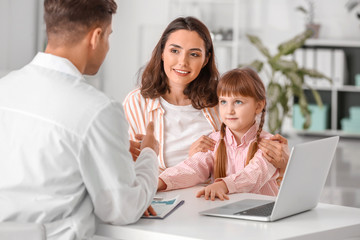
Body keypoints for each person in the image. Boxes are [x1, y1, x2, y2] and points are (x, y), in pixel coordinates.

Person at [0, 0, 159, 239]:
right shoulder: (99, 110)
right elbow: (122, 209)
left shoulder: (6, 87)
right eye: (108, 36)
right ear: (96, 37)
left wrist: (108, 150)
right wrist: (149, 153)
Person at [124, 16, 289, 175]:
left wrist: (282, 161)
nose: (183, 62)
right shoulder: (136, 103)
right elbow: (127, 168)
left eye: (194, 54)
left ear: (205, 59)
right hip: (160, 198)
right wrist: (190, 161)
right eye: (175, 50)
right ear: (162, 53)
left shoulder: (220, 101)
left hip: (215, 197)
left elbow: (248, 157)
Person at [157, 68, 279, 200]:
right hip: (226, 214)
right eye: (223, 102)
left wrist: (224, 186)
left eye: (238, 102)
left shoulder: (270, 144)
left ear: (258, 106)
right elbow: (193, 168)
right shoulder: (214, 140)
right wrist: (161, 182)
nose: (229, 110)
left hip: (262, 214)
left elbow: (254, 175)